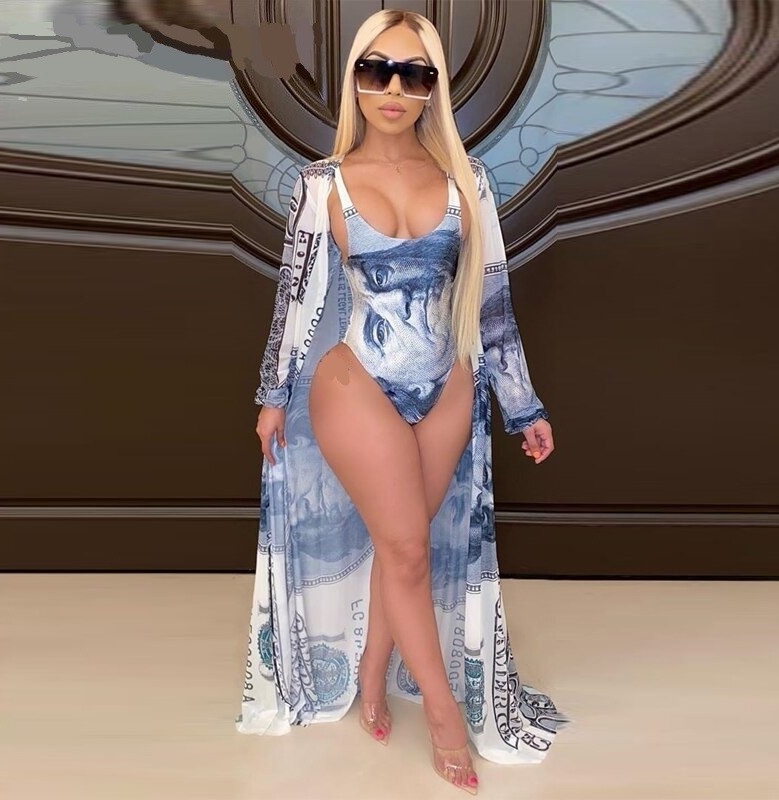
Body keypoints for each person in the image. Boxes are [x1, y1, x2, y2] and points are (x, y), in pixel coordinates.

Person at [236, 9, 571, 794]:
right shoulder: (322, 185)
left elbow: (491, 301)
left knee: (404, 546)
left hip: (447, 382)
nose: (393, 87)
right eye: (376, 69)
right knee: (410, 549)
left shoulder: (467, 179)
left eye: (414, 73)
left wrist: (523, 406)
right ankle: (446, 718)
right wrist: (273, 395)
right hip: (357, 379)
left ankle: (373, 670)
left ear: (433, 88)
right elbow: (294, 297)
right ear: (355, 80)